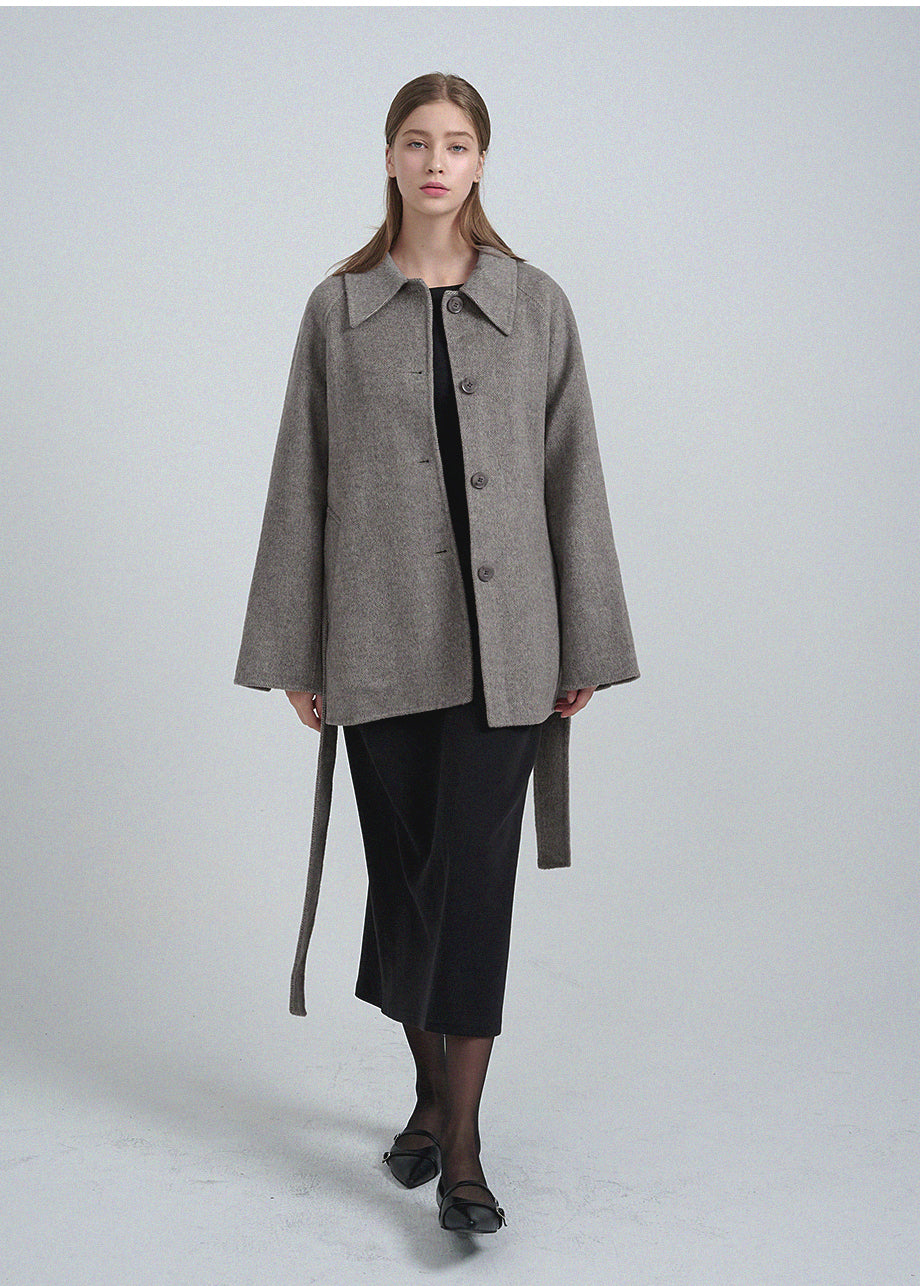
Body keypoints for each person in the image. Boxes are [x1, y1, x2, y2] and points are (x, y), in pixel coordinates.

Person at [234, 71, 639, 1235]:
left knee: (469, 889)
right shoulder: (338, 308)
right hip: (375, 644)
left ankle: (459, 1148)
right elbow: (301, 477)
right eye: (415, 141)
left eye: (455, 144)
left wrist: (584, 639)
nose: (434, 162)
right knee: (409, 884)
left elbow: (572, 470)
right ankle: (426, 1099)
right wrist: (296, 651)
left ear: (478, 161)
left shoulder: (534, 302)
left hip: (507, 654)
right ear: (387, 156)